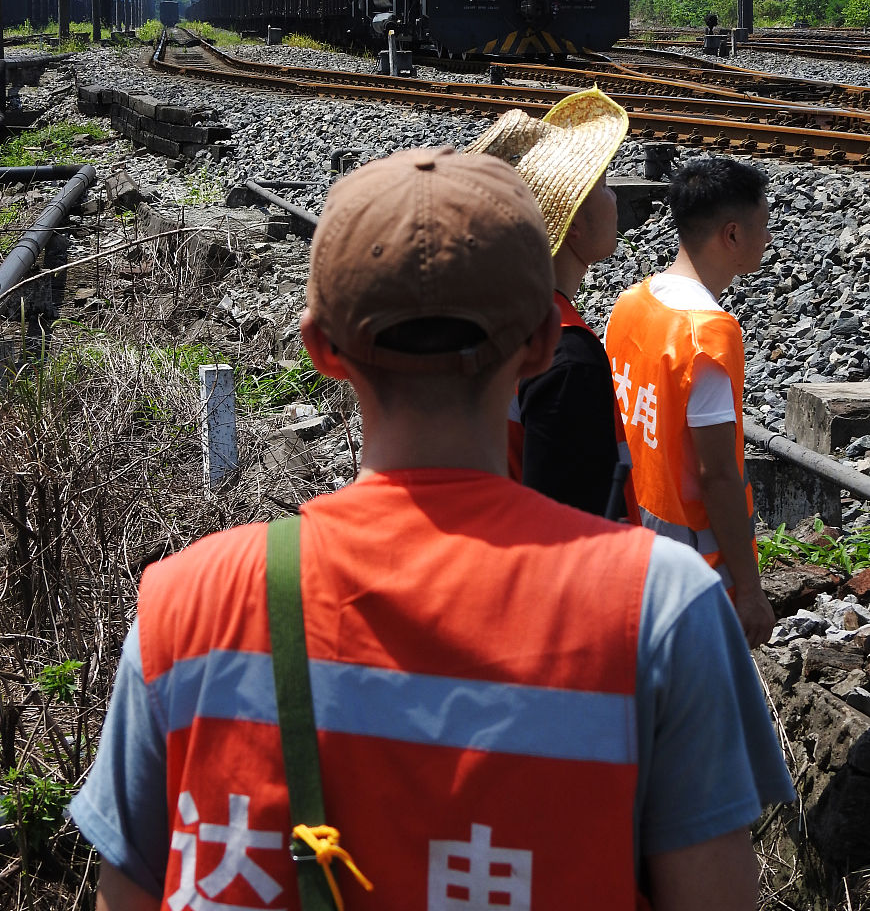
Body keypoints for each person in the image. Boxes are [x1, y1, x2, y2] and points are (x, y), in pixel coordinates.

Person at [69, 147, 792, 911]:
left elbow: (127, 884)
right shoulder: (664, 612)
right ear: (545, 343)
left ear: (320, 350)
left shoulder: (183, 607)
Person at [605, 155, 776, 649]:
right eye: (762, 225)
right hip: (695, 569)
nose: (768, 238)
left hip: (634, 537)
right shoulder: (708, 336)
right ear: (732, 236)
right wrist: (748, 589)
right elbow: (716, 474)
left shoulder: (632, 303)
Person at [467, 88, 639, 520]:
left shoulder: (495, 316)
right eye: (602, 184)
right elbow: (571, 534)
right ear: (574, 223)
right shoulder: (567, 357)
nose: (615, 196)